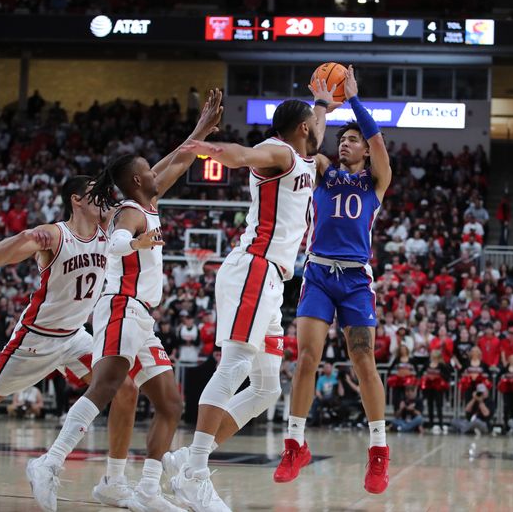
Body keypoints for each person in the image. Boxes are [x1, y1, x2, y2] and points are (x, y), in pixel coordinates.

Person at [26, 89, 224, 512]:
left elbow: (181, 158)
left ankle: (148, 491)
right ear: (138, 179)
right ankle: (49, 462)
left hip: (141, 317)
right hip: (119, 305)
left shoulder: (148, 201)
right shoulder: (129, 212)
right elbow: (115, 243)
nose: (156, 170)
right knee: (108, 386)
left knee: (171, 404)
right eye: (148, 169)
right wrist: (137, 244)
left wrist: (202, 129)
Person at [0, 176, 140, 510]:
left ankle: (113, 481)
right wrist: (24, 238)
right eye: (95, 195)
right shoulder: (54, 234)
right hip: (35, 339)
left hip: (73, 337)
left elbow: (146, 182)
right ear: (76, 200)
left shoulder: (110, 233)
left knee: (126, 390)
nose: (103, 200)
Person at [170, 84, 337, 511]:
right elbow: (240, 155)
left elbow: (317, 125)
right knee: (236, 364)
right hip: (254, 268)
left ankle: (189, 459)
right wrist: (202, 144)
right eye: (314, 123)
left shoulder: (303, 155)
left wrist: (324, 102)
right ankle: (194, 474)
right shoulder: (278, 152)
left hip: (272, 279)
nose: (320, 127)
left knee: (266, 390)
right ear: (301, 128)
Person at [274, 65, 393, 494]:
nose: (345, 143)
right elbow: (309, 142)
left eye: (352, 139)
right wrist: (322, 102)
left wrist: (355, 100)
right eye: (342, 138)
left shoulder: (376, 181)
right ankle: (294, 443)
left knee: (363, 359)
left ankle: (378, 452)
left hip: (357, 279)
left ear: (363, 148)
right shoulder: (322, 170)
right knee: (306, 357)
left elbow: (378, 141)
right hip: (320, 273)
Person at [421, 349, 452, 433]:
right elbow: (421, 372)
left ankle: (440, 423)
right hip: (429, 387)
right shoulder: (427, 364)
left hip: (438, 388)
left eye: (435, 357)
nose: (433, 358)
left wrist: (437, 376)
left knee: (439, 406)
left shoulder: (442, 365)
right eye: (432, 357)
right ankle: (431, 423)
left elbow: (447, 376)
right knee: (430, 405)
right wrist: (426, 376)